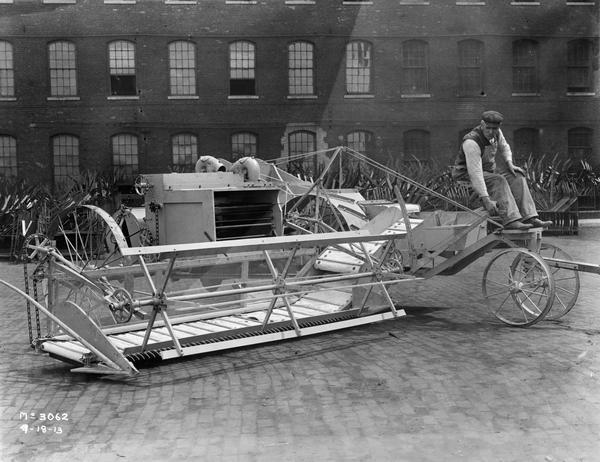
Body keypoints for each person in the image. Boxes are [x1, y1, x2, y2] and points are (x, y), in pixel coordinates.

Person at [452, 110, 552, 230]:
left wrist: (510, 163)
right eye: (488, 128)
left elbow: (505, 147)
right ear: (482, 124)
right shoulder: (471, 142)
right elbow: (475, 174)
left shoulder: (497, 133)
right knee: (498, 180)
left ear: (499, 126)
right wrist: (486, 199)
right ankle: (511, 220)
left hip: (487, 174)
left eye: (494, 128)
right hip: (465, 177)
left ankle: (530, 217)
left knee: (517, 176)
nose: (491, 132)